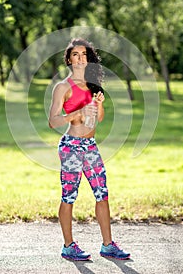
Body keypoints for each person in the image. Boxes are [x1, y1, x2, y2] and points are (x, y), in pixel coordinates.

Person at [49, 38, 130, 261]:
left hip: (91, 146)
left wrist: (99, 104)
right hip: (71, 147)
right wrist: (74, 114)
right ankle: (68, 246)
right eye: (75, 54)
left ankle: (108, 245)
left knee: (102, 194)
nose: (80, 59)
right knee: (69, 196)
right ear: (68, 59)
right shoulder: (63, 87)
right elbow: (53, 121)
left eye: (84, 55)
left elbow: (98, 119)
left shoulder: (93, 86)